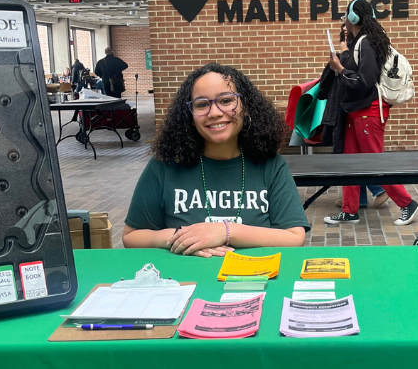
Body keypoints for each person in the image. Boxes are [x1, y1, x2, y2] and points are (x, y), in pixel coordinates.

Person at [123, 63, 310, 256]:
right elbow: (132, 236)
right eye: (202, 104)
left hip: (254, 279)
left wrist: (225, 231)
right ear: (190, 115)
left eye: (226, 100)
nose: (214, 113)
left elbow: (294, 237)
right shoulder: (164, 165)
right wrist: (183, 237)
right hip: (185, 281)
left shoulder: (270, 164)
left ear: (245, 107)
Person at [320, 0, 418, 226]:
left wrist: (340, 69)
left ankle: (407, 204)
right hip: (356, 112)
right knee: (350, 163)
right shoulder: (359, 42)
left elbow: (365, 81)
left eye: (346, 14)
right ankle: (349, 210)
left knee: (375, 163)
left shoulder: (365, 44)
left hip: (368, 113)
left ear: (354, 18)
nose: (344, 19)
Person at [333, 22, 389, 209]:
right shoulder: (357, 45)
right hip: (353, 109)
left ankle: (396, 196)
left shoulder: (363, 45)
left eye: (347, 29)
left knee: (368, 156)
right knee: (354, 156)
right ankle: (358, 200)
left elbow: (360, 79)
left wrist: (342, 57)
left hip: (365, 108)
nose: (346, 33)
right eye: (343, 32)